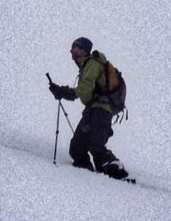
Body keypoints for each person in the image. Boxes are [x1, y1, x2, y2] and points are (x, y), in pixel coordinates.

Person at [49, 36, 129, 178]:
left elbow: (84, 90)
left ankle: (117, 173)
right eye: (72, 48)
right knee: (76, 149)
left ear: (84, 50)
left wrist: (63, 91)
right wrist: (62, 91)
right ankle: (89, 177)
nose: (72, 50)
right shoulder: (86, 66)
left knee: (96, 145)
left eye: (76, 47)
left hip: (101, 110)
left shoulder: (92, 63)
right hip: (93, 110)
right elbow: (85, 93)